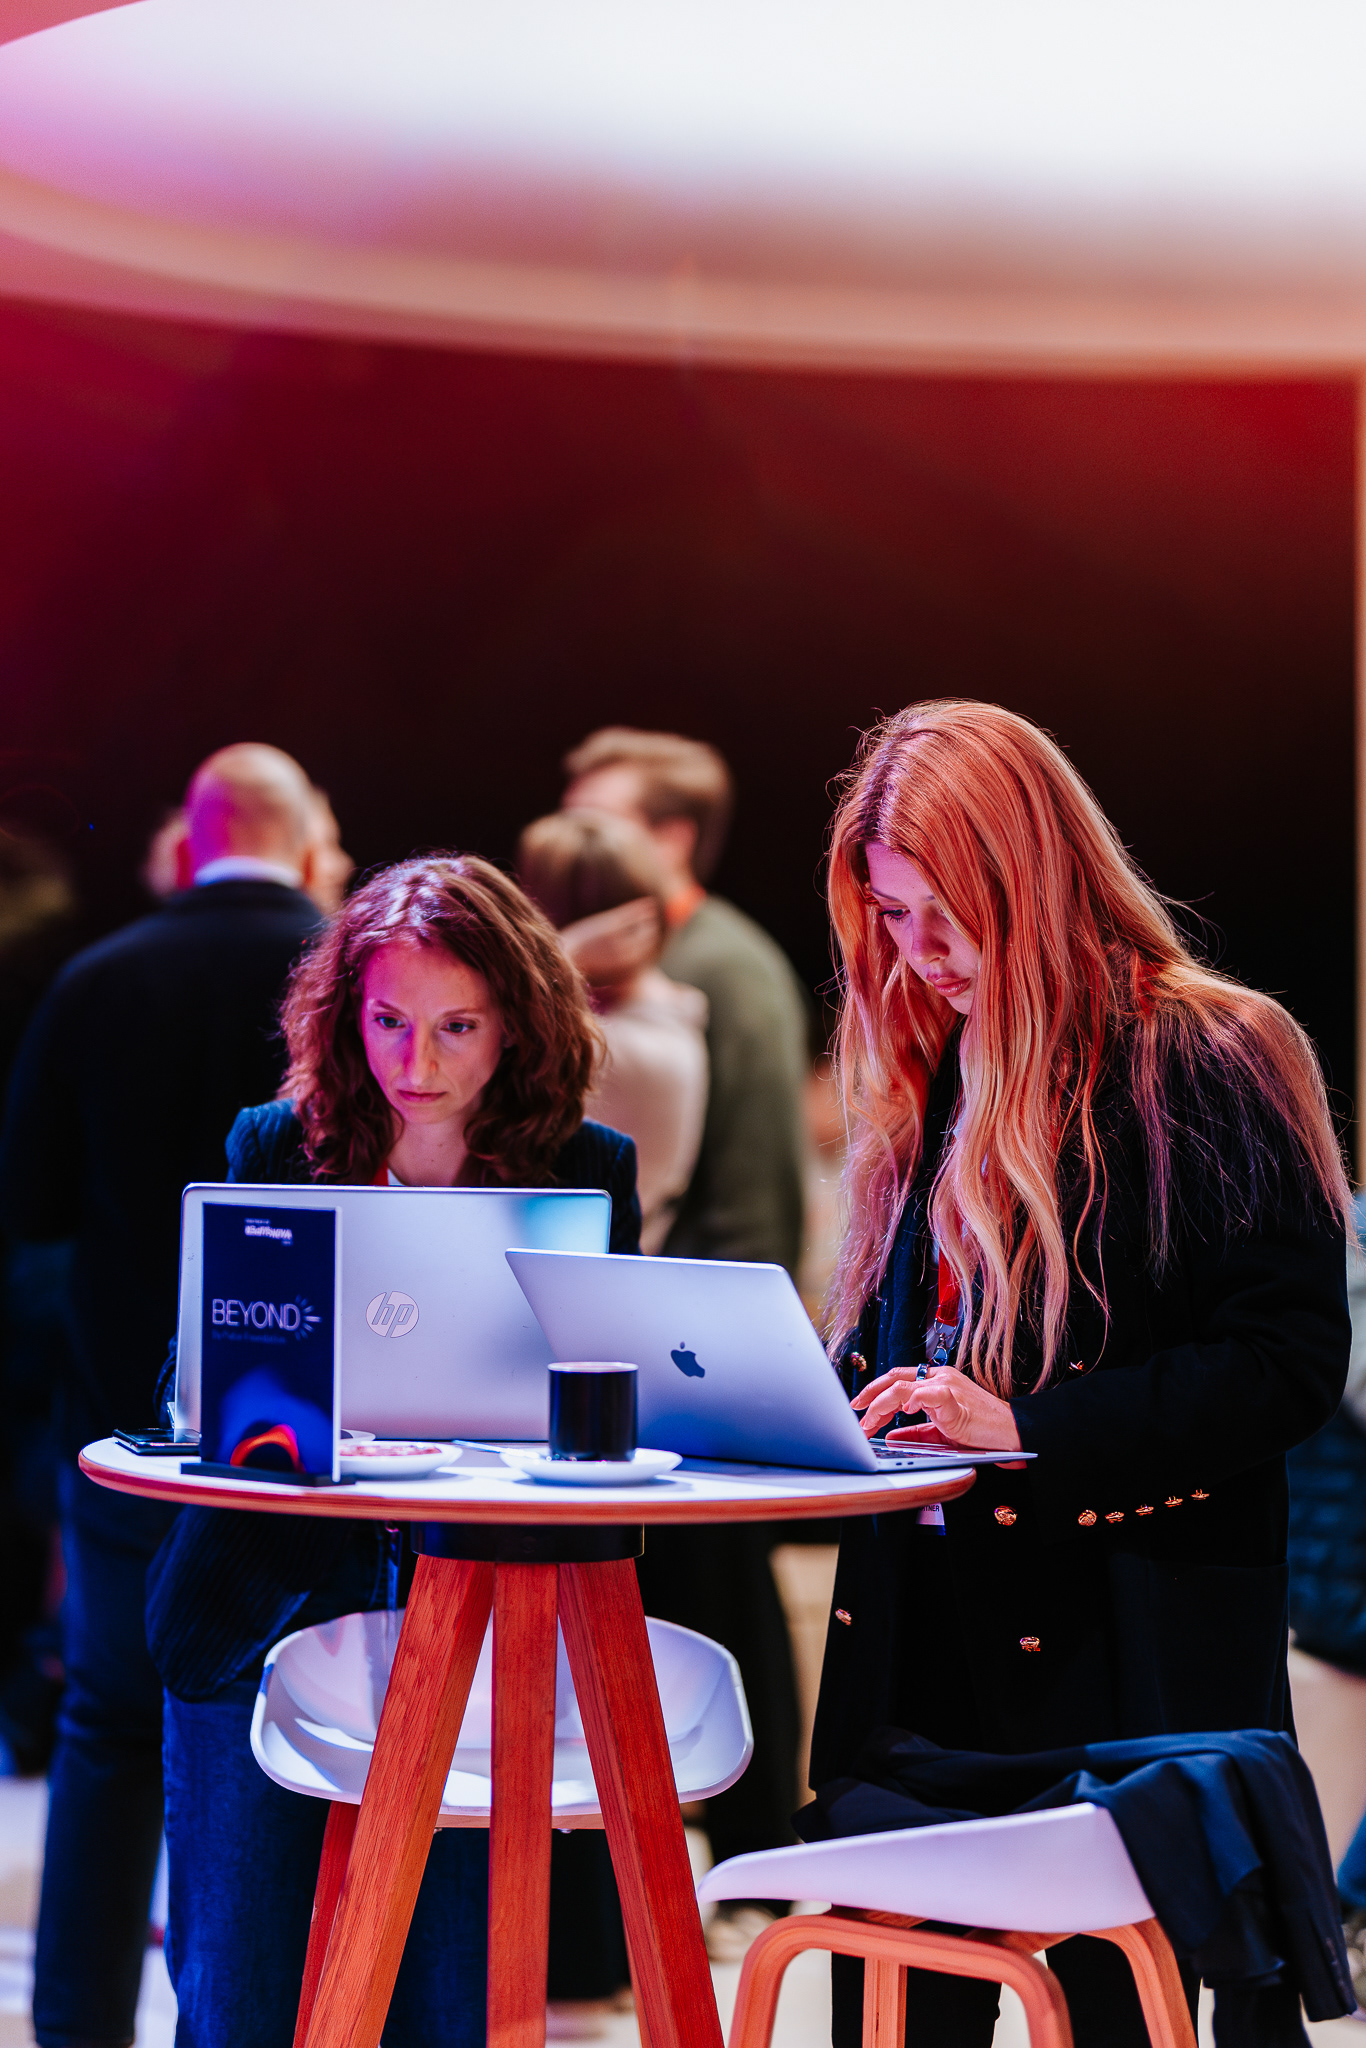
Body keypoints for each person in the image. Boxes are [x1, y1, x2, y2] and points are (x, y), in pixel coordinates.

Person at [809, 698, 1352, 2048]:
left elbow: (1282, 1365)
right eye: (891, 914)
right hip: (921, 1644)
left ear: (1036, 876)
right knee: (899, 2007)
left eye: (947, 914)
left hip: (1125, 1651)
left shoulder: (1207, 1052)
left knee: (1126, 2014)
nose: (918, 953)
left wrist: (1027, 1426)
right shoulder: (932, 1054)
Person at [143, 854, 640, 2047]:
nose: (416, 1063)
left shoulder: (586, 1167)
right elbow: (188, 1383)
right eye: (388, 1022)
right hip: (261, 1600)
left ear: (516, 1023)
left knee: (446, 2001)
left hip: (478, 1620)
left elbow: (609, 1415)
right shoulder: (276, 1143)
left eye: (456, 1025)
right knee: (239, 1993)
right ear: (343, 1015)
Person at [0, 743, 328, 2048]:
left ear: (189, 841)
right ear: (308, 841)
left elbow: (29, 1203)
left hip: (123, 1422)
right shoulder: (348, 976)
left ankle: (75, 2025)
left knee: (108, 1722)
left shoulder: (98, 976)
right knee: (278, 1739)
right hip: (301, 1434)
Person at [561, 731, 807, 1948]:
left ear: (668, 838)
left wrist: (710, 1367)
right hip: (667, 1331)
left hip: (694, 1339)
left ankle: (757, 1862)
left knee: (722, 1602)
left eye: (602, 817)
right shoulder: (671, 967)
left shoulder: (723, 968)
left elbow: (753, 1195)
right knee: (706, 1599)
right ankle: (730, 1864)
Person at [517, 808, 708, 1253]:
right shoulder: (662, 1012)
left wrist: (560, 955)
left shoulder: (625, 1046)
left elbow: (496, 1047)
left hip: (574, 1274)